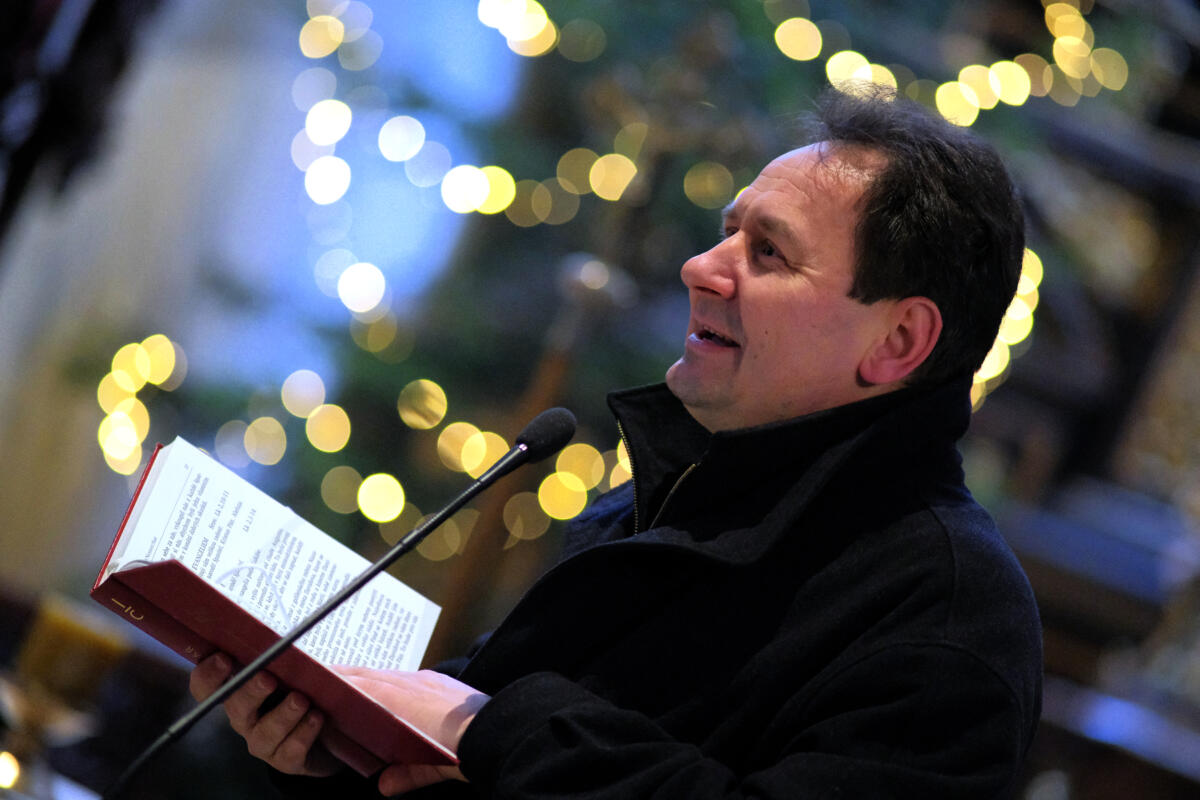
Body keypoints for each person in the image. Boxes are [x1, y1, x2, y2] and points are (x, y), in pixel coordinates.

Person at [190, 84, 1042, 799]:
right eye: (728, 231)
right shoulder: (684, 491)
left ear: (897, 341)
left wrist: (499, 732)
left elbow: (495, 733)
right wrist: (337, 745)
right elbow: (462, 744)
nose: (702, 267)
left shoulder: (951, 615)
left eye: (769, 253)